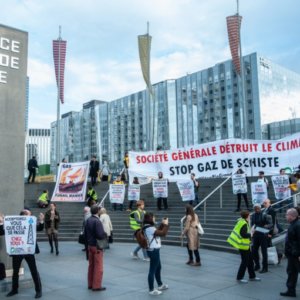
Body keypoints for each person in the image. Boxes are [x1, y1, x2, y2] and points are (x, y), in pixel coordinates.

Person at [0, 210, 44, 298]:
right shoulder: (14, 224)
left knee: (34, 271)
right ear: (24, 216)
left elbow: (39, 228)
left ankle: (38, 290)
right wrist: (1, 222)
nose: (31, 215)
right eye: (29, 214)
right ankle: (14, 289)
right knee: (15, 271)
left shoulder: (30, 223)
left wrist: (41, 221)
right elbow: (1, 232)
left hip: (29, 251)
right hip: (17, 251)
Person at [227, 210, 260, 283]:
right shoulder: (244, 224)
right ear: (248, 216)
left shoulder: (241, 221)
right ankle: (240, 277)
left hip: (245, 246)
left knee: (250, 261)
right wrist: (252, 233)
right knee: (245, 262)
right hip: (244, 246)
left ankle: (252, 276)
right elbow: (244, 234)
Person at [144, 212, 169, 296]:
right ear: (151, 218)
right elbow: (163, 233)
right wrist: (166, 225)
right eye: (154, 217)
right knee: (152, 270)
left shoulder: (147, 227)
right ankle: (151, 289)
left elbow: (157, 232)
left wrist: (162, 224)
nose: (154, 219)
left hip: (152, 250)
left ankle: (160, 284)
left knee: (158, 267)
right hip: (153, 250)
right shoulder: (150, 228)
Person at [84, 205, 107, 291]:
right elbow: (100, 235)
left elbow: (85, 234)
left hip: (89, 245)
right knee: (98, 267)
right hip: (96, 246)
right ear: (97, 211)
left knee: (91, 266)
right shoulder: (97, 221)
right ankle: (96, 285)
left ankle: (90, 284)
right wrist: (105, 234)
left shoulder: (87, 220)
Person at [280, 208, 300, 297]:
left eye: (287, 214)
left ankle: (291, 289)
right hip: (292, 253)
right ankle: (291, 290)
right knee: (291, 272)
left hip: (296, 254)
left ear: (292, 216)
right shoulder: (294, 224)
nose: (285, 216)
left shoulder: (298, 225)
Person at [251, 204, 273, 273]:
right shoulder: (253, 216)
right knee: (254, 250)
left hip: (263, 235)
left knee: (264, 252)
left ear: (260, 209)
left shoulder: (264, 215)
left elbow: (271, 224)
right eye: (256, 209)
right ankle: (257, 265)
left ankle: (265, 267)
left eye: (258, 209)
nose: (257, 210)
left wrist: (267, 226)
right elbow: (253, 225)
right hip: (256, 235)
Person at [262, 199, 283, 264]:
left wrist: (271, 233)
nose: (264, 204)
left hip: (270, 230)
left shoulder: (271, 210)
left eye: (265, 203)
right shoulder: (266, 210)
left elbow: (273, 222)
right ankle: (277, 256)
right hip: (267, 230)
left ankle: (279, 255)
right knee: (269, 244)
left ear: (269, 203)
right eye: (264, 203)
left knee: (270, 244)